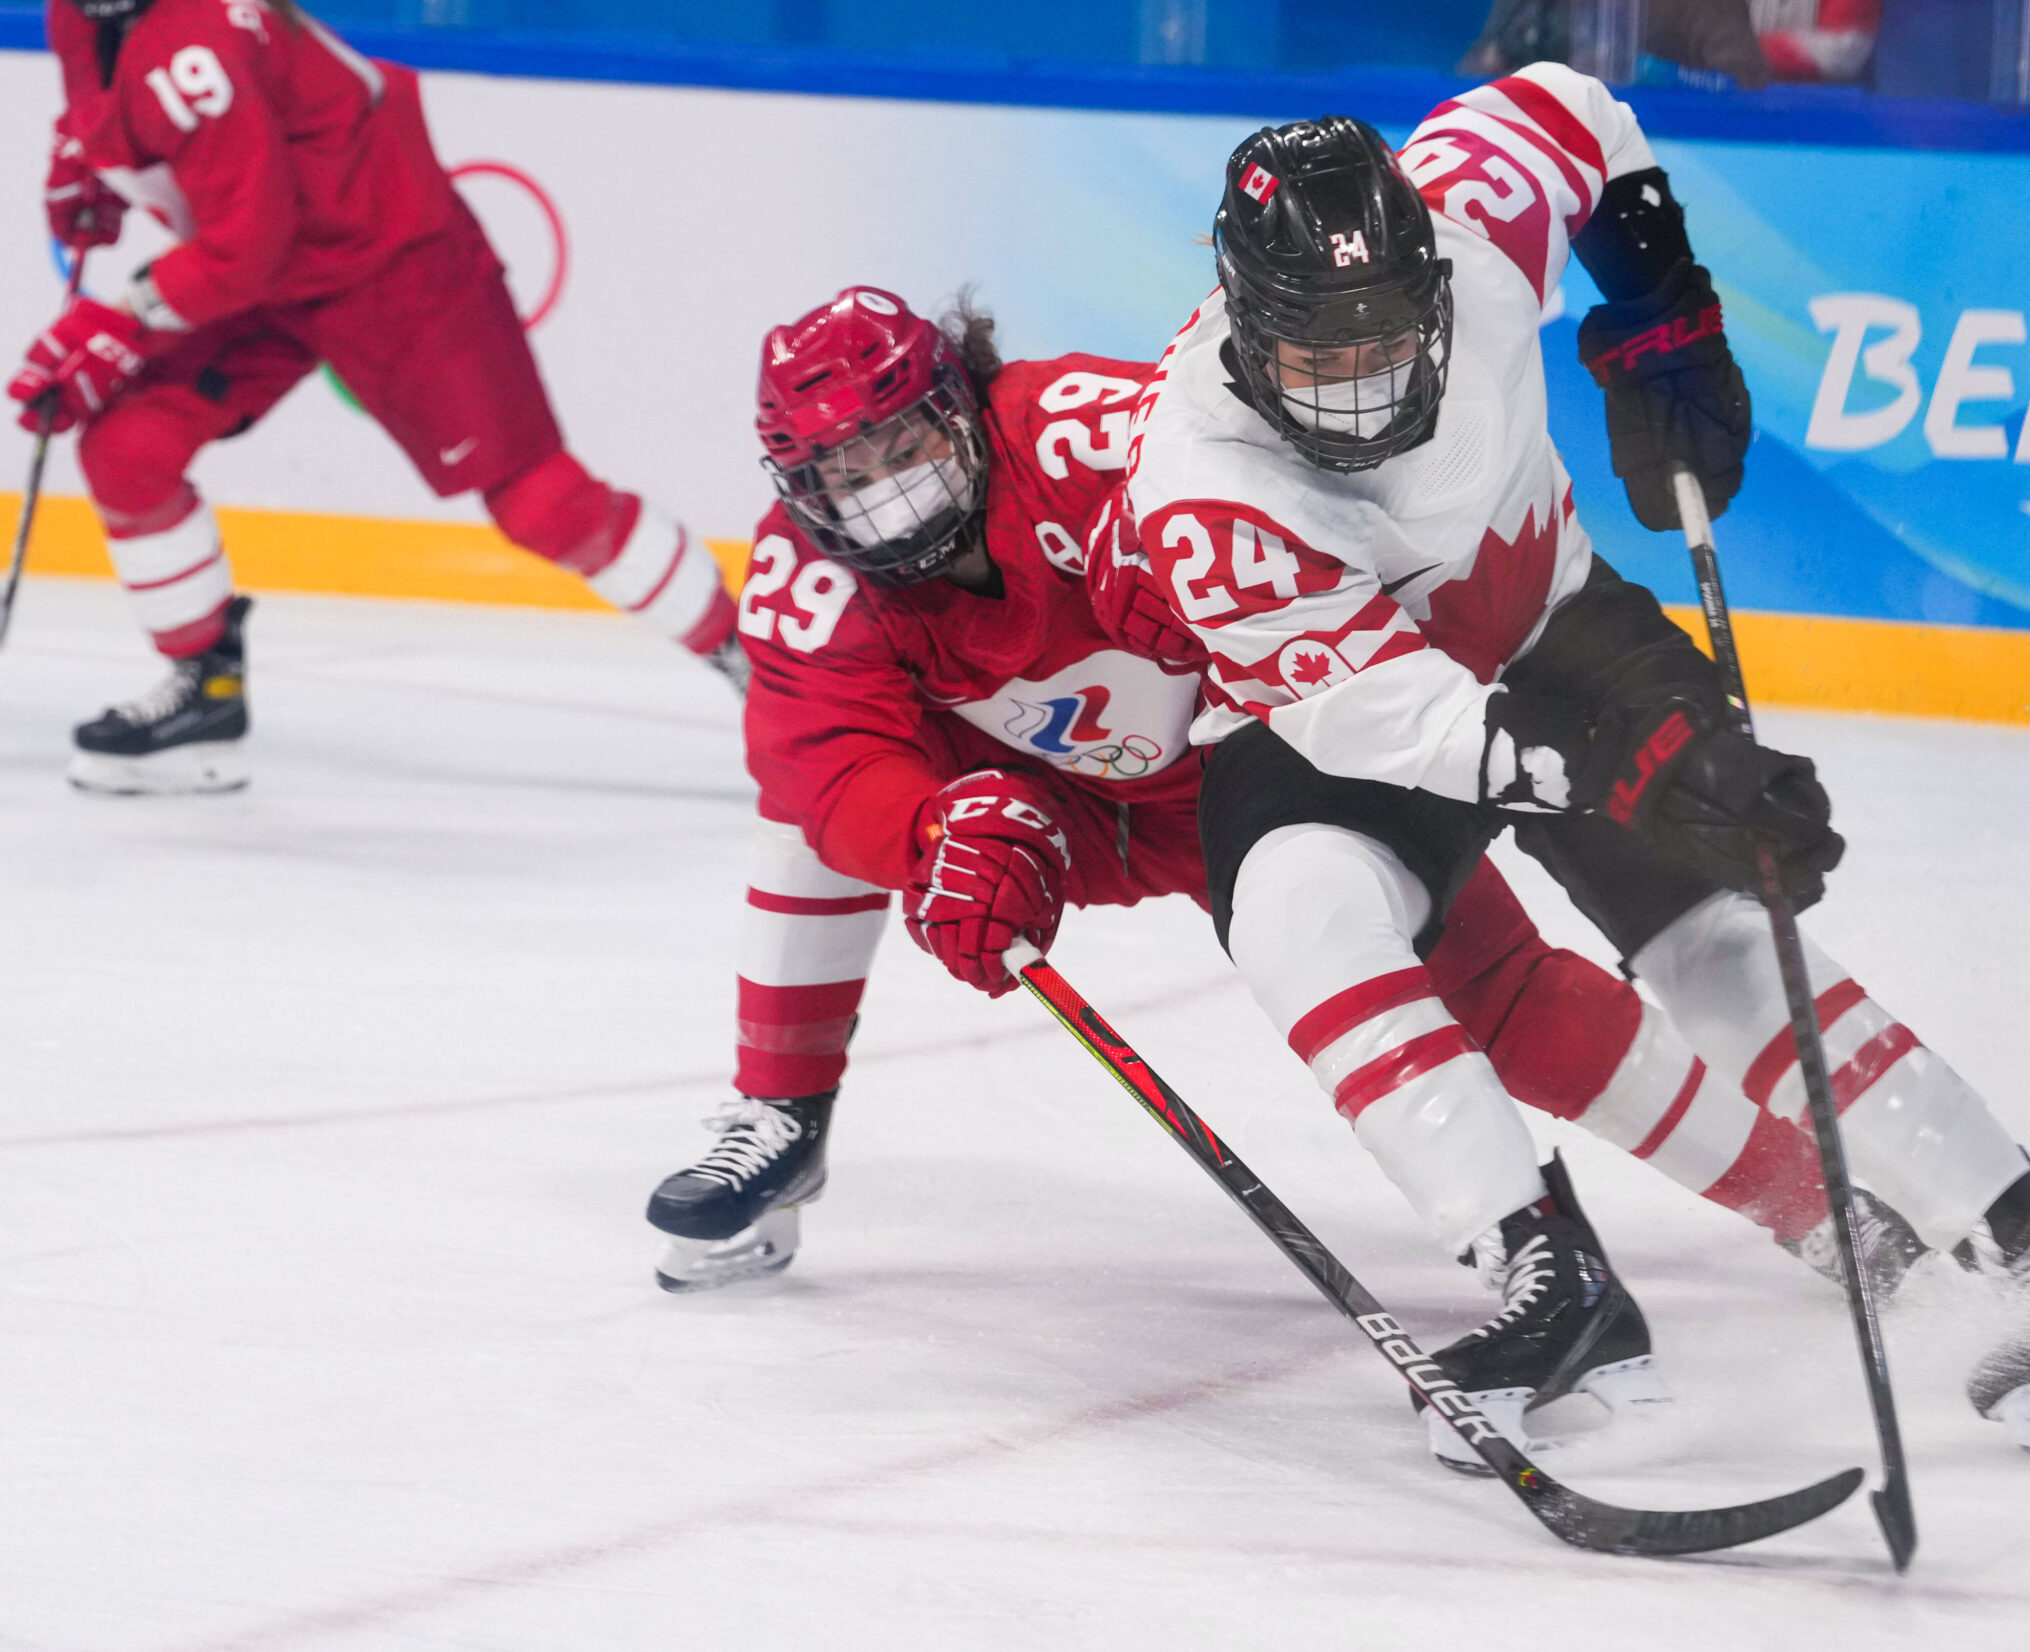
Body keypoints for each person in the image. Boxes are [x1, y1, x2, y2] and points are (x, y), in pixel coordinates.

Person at [1086, 64, 2030, 1462]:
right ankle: (1551, 1281)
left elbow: (1583, 109)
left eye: (1391, 337)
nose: (1368, 388)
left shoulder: (1478, 219)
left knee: (1725, 943)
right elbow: (1398, 719)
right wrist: (1626, 773)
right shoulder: (1201, 481)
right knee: (1297, 909)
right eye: (1323, 355)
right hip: (1352, 718)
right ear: (1249, 335)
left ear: (1438, 268)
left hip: (1551, 616)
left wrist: (1658, 303)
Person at [644, 289, 1857, 1464]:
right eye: (843, 476)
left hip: (1255, 749)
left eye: (897, 443)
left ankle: (1813, 1200)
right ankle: (783, 1116)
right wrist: (931, 839)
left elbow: (1278, 533)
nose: (882, 492)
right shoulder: (815, 578)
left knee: (1504, 997)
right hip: (1047, 811)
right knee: (805, 822)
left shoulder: (1086, 432)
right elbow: (823, 754)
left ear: (958, 398)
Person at [8, 0, 738, 796]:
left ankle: (763, 666)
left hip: (394, 263)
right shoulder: (83, 17)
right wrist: (93, 156)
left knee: (540, 502)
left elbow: (243, 245)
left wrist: (121, 320)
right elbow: (129, 119)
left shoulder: (195, 39)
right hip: (277, 271)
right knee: (128, 445)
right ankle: (205, 694)